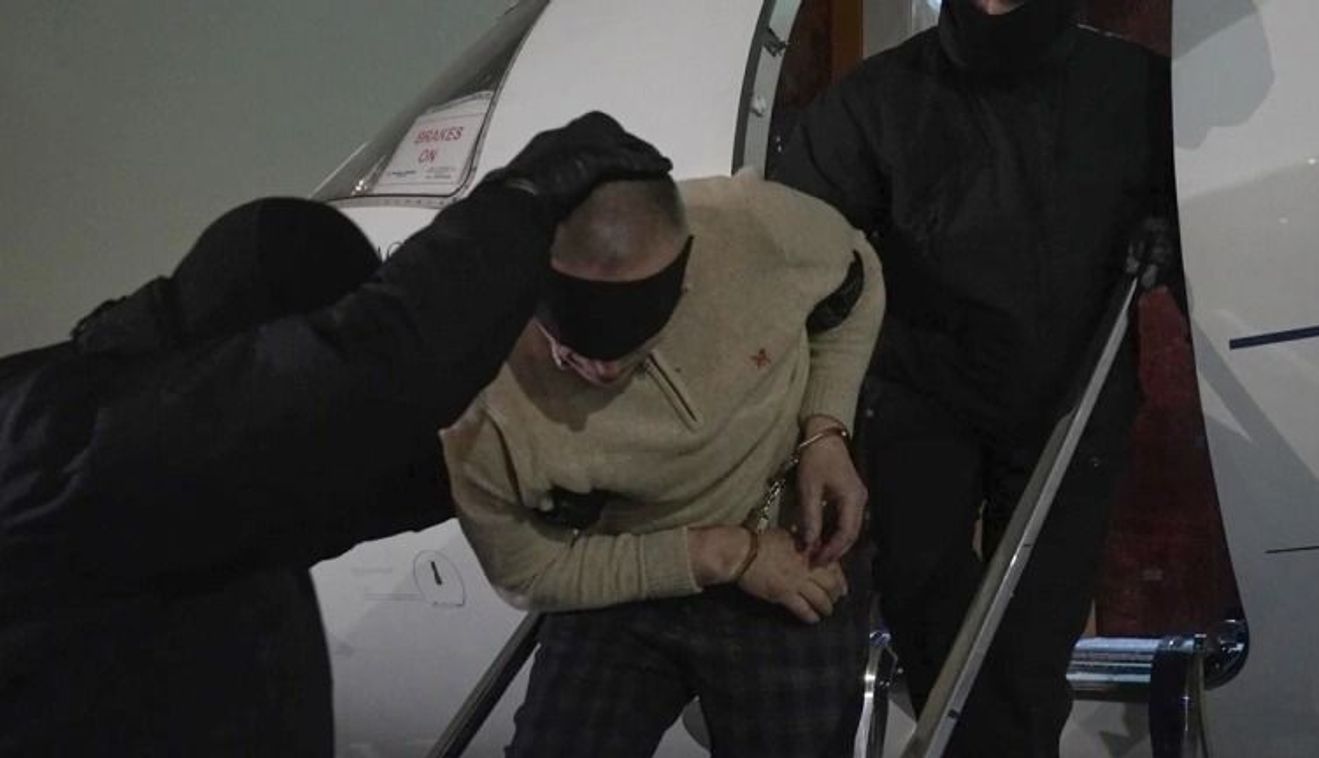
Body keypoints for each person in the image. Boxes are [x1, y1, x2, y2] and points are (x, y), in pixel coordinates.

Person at [0, 112, 671, 756]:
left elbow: (345, 486)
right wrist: (520, 202)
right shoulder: (52, 433)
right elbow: (361, 383)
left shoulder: (176, 477)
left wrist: (519, 473)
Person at [773, 1, 1179, 755]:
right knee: (926, 601)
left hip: (1073, 396)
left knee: (1034, 634)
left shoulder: (1139, 91)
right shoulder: (876, 100)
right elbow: (795, 251)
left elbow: (1207, 238)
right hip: (921, 392)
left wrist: (1173, 236)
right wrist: (818, 421)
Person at [442, 170, 884, 757]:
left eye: (627, 343)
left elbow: (857, 276)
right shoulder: (481, 402)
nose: (601, 372)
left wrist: (826, 428)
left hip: (790, 540)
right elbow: (529, 572)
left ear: (682, 282)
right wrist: (723, 554)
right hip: (625, 563)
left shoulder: (747, 226)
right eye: (573, 350)